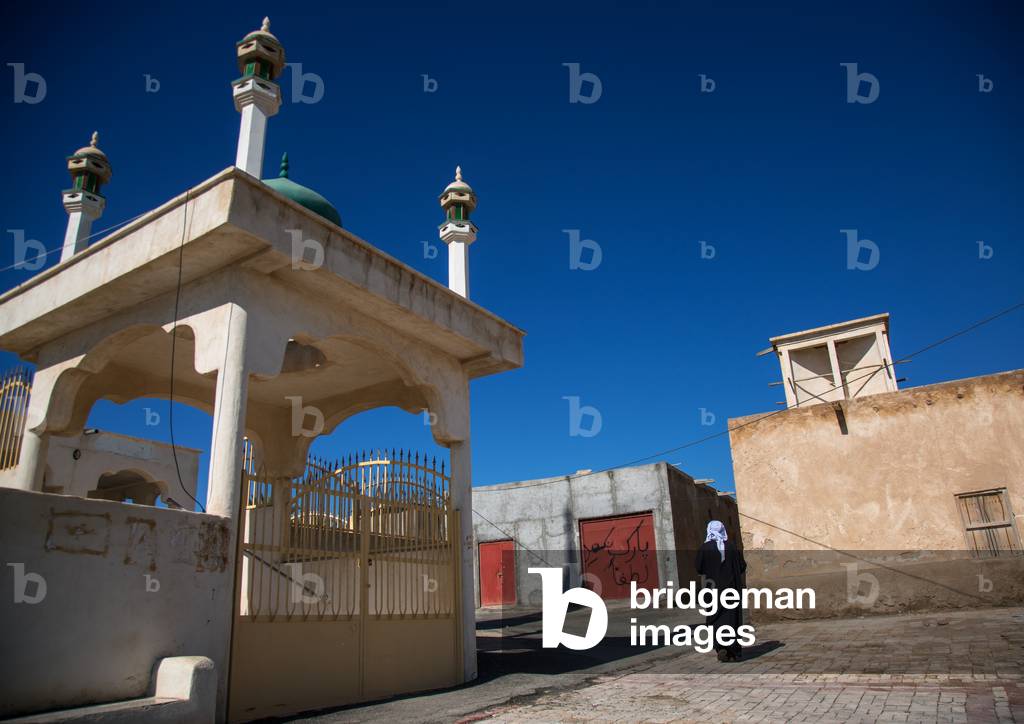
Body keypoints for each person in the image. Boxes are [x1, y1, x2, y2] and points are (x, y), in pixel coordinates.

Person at [695, 520, 747, 662]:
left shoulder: (704, 548)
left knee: (716, 618)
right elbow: (742, 566)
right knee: (732, 618)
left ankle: (721, 647)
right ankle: (733, 649)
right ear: (723, 530)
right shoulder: (731, 547)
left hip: (713, 591)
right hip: (732, 590)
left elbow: (699, 568)